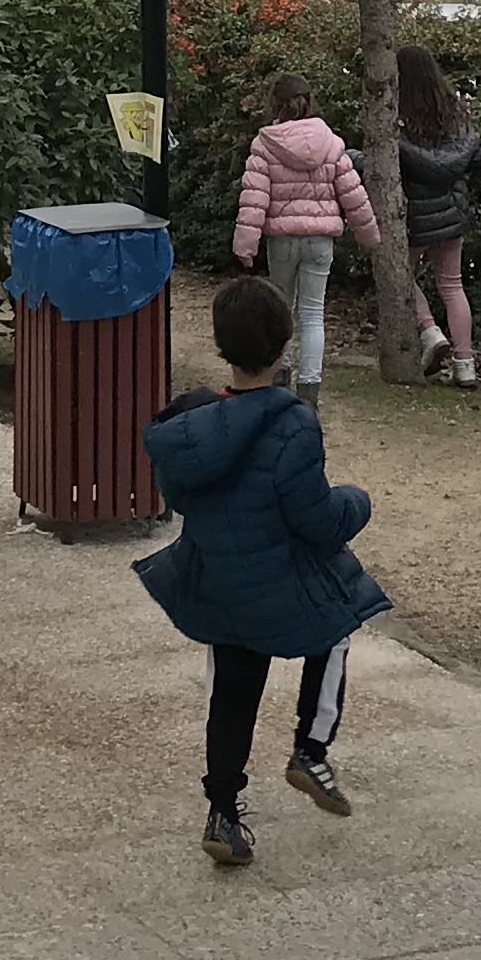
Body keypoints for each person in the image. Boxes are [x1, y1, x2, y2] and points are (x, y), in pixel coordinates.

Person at [134, 272, 393, 870]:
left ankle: (222, 814)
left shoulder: (189, 425)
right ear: (284, 347)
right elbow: (316, 519)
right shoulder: (293, 422)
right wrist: (357, 502)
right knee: (342, 615)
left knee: (232, 692)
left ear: (221, 346)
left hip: (218, 583)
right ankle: (311, 748)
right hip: (279, 585)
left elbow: (181, 498)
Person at [231, 71, 383, 407]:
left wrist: (245, 245)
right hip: (320, 241)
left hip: (282, 240)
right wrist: (369, 235)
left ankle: (280, 373)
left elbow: (254, 199)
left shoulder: (265, 144)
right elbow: (353, 195)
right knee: (313, 313)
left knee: (281, 307)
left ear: (275, 104)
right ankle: (310, 389)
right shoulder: (331, 143)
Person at [393, 44, 481, 388]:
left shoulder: (396, 117)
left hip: (413, 214)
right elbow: (476, 159)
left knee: (400, 275)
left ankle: (429, 330)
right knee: (452, 284)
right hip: (451, 211)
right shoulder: (453, 113)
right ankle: (465, 363)